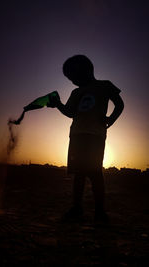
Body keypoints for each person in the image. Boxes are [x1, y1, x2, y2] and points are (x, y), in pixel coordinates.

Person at [52, 55, 124, 223]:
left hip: (95, 137)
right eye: (70, 78)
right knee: (79, 173)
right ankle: (77, 208)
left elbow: (119, 104)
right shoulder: (76, 92)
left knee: (95, 172)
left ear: (87, 70)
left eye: (74, 77)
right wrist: (58, 105)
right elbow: (70, 112)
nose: (72, 81)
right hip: (76, 135)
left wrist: (110, 119)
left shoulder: (105, 85)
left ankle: (99, 212)